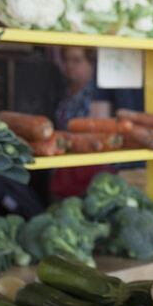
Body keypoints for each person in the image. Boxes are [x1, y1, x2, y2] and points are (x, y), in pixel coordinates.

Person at [50, 47, 113, 198]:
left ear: (91, 63)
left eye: (77, 60)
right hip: (65, 167)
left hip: (87, 168)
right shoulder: (67, 90)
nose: (69, 65)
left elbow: (100, 131)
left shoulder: (98, 92)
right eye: (66, 60)